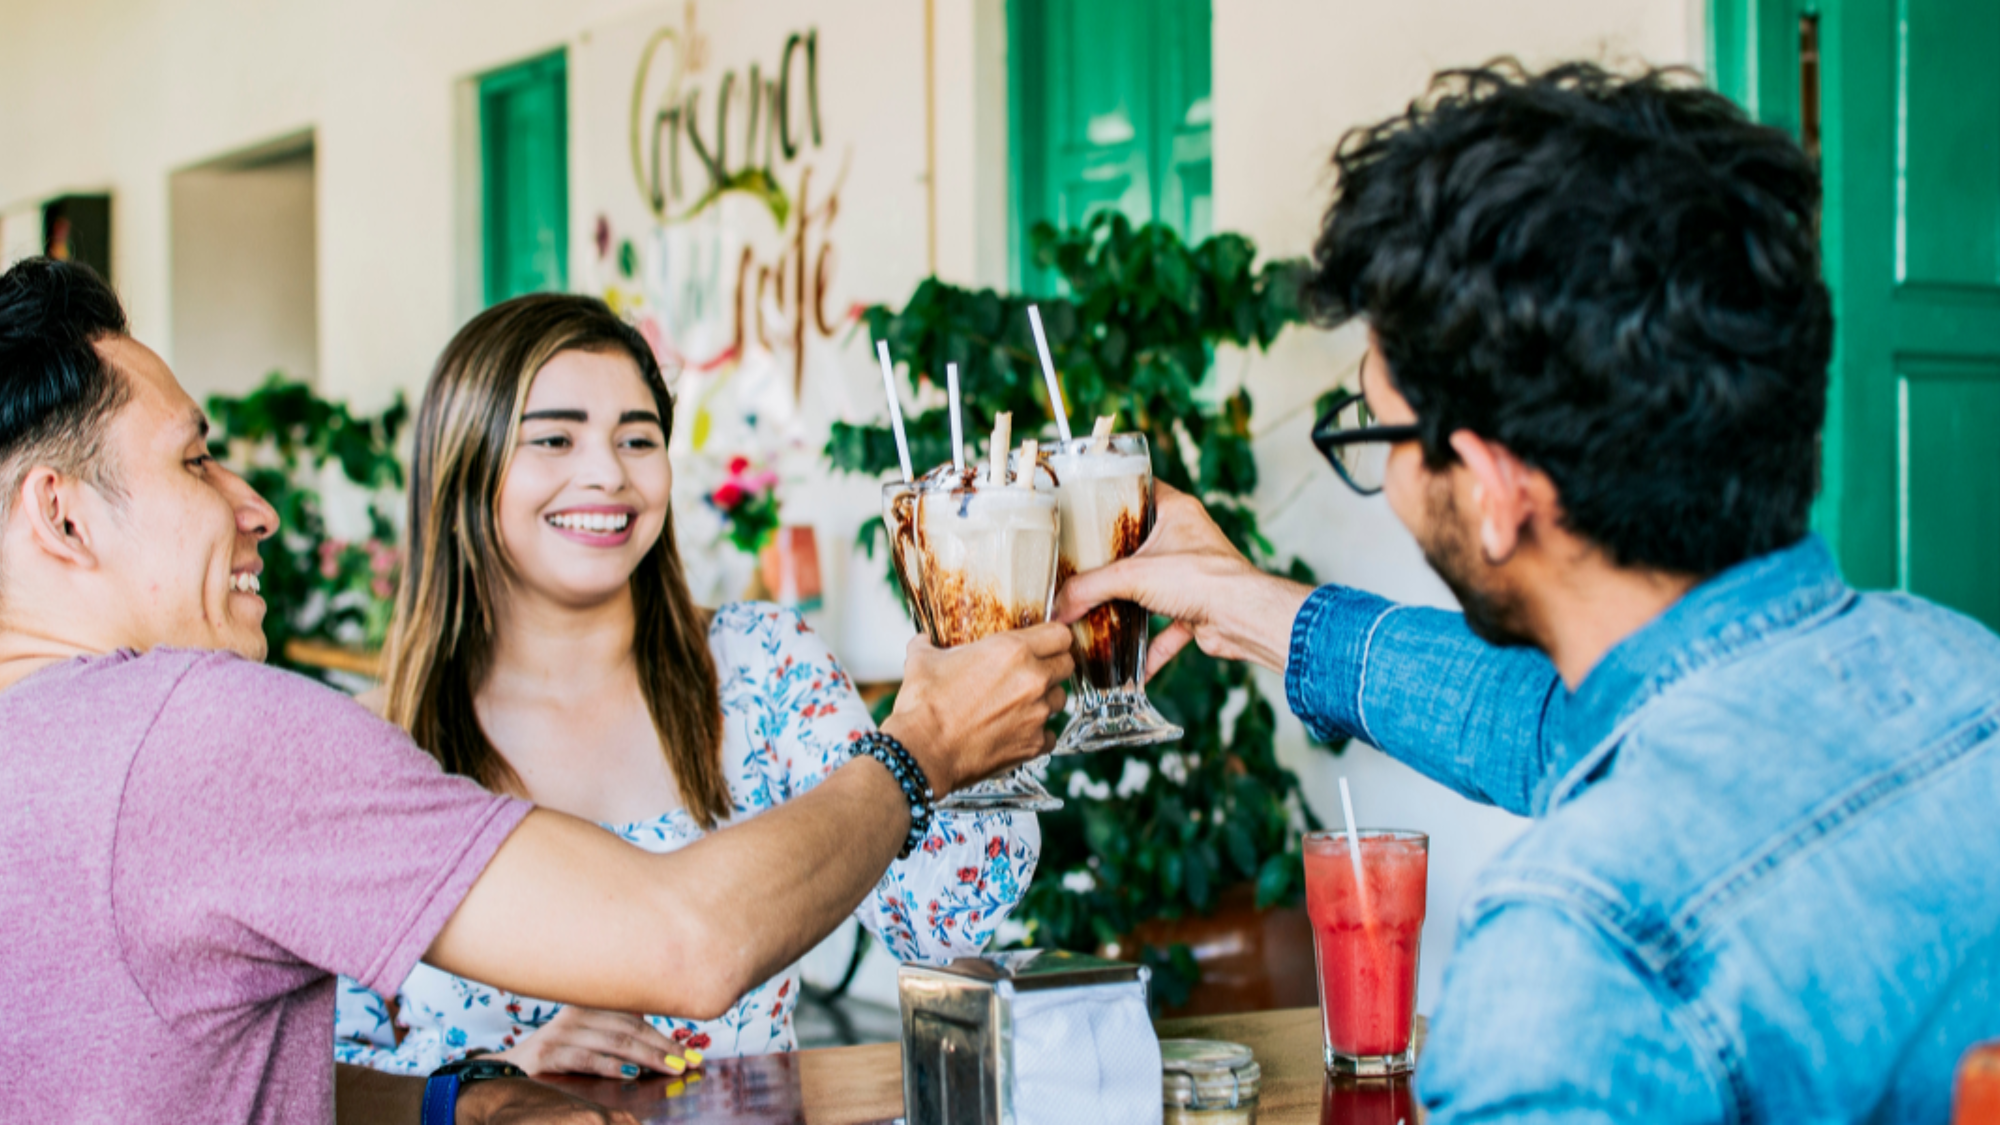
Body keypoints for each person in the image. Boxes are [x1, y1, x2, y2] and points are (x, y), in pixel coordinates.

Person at [1058, 63, 2000, 1123]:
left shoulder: (1581, 954)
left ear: (1498, 490)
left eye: (1374, 435)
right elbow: (1559, 727)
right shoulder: (1962, 667)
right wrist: (1249, 604)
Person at [0, 256, 1072, 1123]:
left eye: (636, 438)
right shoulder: (245, 737)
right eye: (196, 462)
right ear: (59, 515)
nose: (254, 506)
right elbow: (686, 944)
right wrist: (922, 741)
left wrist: (465, 1098)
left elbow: (261, 1076)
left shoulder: (757, 663)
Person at [332, 293, 1039, 1077]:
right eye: (555, 439)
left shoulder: (762, 668)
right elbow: (316, 1072)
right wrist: (497, 1074)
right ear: (466, 465)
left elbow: (942, 922)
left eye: (638, 438)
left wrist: (981, 706)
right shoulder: (373, 750)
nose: (607, 473)